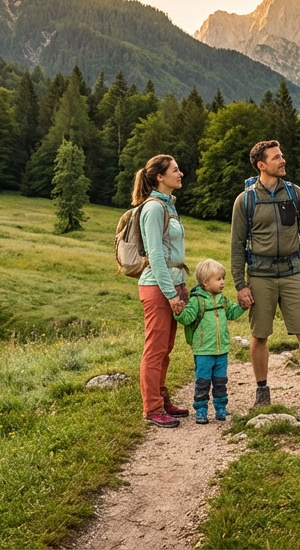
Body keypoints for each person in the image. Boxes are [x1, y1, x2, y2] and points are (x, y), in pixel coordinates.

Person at [230, 140, 300, 415]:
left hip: (292, 272)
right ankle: (262, 393)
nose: (282, 160)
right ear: (262, 165)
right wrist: (240, 285)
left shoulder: (296, 194)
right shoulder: (246, 200)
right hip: (259, 276)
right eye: (276, 158)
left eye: (282, 155)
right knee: (259, 335)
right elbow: (237, 245)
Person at [133, 154, 191, 428]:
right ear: (160, 176)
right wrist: (171, 294)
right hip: (157, 287)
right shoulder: (154, 208)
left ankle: (162, 398)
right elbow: (156, 256)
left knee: (165, 349)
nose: (180, 174)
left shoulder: (169, 204)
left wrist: (181, 287)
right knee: (155, 350)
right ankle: (152, 407)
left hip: (171, 282)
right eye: (175, 170)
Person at [178, 258, 245, 424]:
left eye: (223, 278)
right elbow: (187, 319)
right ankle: (201, 410)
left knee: (220, 381)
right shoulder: (196, 301)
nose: (222, 282)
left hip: (221, 349)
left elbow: (232, 313)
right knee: (203, 382)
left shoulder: (222, 300)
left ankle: (221, 408)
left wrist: (243, 306)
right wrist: (178, 312)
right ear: (206, 282)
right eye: (219, 279)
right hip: (203, 351)